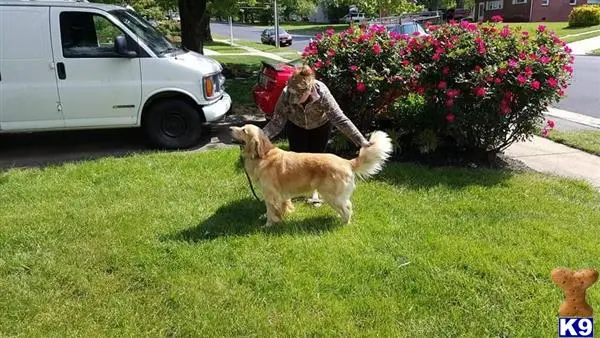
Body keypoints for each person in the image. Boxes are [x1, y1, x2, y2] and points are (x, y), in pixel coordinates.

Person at [261, 65, 371, 206]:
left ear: (309, 90)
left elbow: (340, 119)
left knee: (317, 160)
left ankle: (315, 193)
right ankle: (295, 190)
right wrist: (259, 138)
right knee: (297, 162)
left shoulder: (322, 92)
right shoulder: (286, 93)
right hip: (297, 126)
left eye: (299, 96)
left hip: (320, 126)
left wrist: (361, 141)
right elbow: (277, 121)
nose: (295, 99)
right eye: (293, 95)